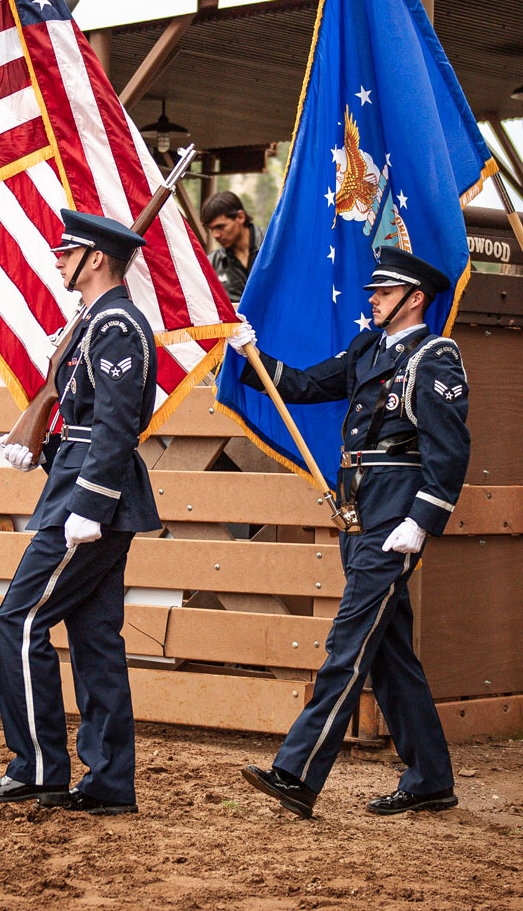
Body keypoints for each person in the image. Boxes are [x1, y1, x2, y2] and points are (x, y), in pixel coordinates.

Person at [233, 246, 470, 817]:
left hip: (394, 515)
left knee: (349, 642)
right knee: (388, 652)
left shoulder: (434, 358)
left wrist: (421, 521)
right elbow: (306, 385)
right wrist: (249, 354)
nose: (374, 300)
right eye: (375, 292)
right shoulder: (368, 348)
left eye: (384, 293)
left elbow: (451, 449)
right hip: (358, 510)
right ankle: (431, 779)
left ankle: (297, 772)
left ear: (415, 298)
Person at [0, 209, 160, 815]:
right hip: (79, 485)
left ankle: (38, 769)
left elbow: (117, 425)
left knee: (19, 621)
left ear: (95, 259)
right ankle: (108, 784)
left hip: (89, 500)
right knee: (96, 639)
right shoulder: (94, 321)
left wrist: (90, 505)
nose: (57, 260)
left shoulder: (117, 326)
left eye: (67, 252)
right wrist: (41, 449)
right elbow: (82, 416)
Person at [200, 191, 261, 306]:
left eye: (220, 227)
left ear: (240, 217)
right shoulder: (211, 264)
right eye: (211, 229)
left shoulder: (272, 249)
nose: (215, 235)